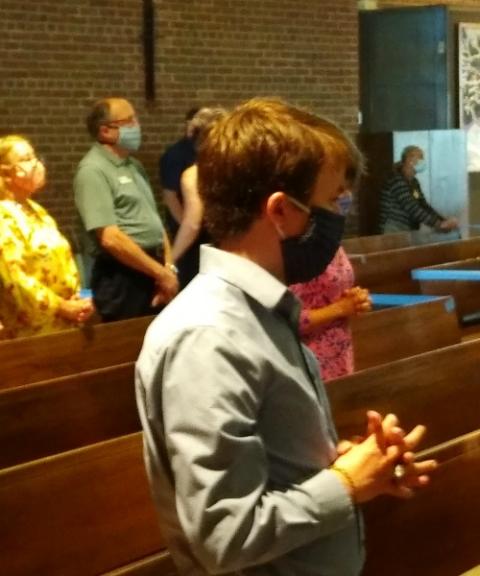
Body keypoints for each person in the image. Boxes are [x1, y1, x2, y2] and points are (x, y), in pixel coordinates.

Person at [136, 98, 437, 576]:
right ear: (280, 210)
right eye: (334, 201)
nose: (340, 215)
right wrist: (344, 485)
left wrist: (356, 463)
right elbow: (224, 535)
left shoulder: (262, 311)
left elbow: (269, 462)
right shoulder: (208, 337)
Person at [74, 97, 178, 322]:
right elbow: (111, 238)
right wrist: (160, 273)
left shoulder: (134, 165)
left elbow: (155, 221)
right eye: (129, 121)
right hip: (123, 277)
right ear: (106, 131)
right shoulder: (92, 171)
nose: (137, 126)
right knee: (129, 348)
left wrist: (168, 268)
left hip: (153, 270)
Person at [0, 135, 94, 338]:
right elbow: (15, 280)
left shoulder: (37, 211)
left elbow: (66, 260)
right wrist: (61, 307)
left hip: (67, 323)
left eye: (35, 156)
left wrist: (83, 298)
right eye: (26, 159)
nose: (36, 164)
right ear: (5, 174)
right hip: (33, 331)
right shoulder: (3, 216)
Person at [290, 219, 371, 380]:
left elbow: (338, 286)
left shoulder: (328, 239)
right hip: (307, 357)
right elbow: (283, 319)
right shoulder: (288, 250)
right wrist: (340, 308)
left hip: (340, 350)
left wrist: (355, 299)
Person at [171, 107, 227, 288]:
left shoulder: (195, 174)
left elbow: (192, 223)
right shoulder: (244, 169)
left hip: (204, 256)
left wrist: (170, 260)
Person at [379, 145, 459, 234]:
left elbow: (423, 205)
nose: (423, 161)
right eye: (420, 157)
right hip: (394, 229)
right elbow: (411, 207)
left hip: (407, 229)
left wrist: (443, 221)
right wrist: (438, 224)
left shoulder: (414, 182)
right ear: (410, 160)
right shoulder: (397, 179)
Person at [159, 107, 199, 235]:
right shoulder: (175, 155)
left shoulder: (204, 152)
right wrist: (186, 226)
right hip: (186, 226)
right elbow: (170, 197)